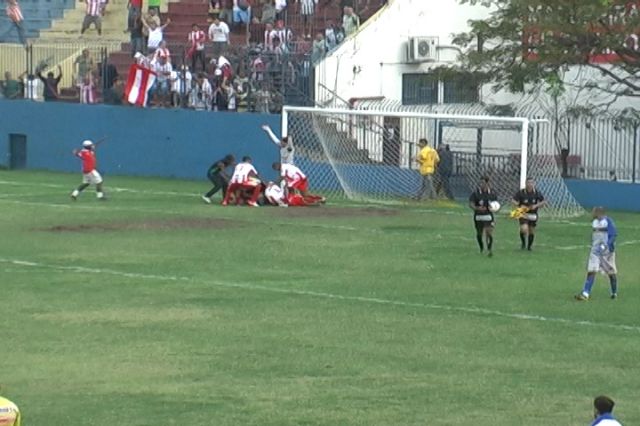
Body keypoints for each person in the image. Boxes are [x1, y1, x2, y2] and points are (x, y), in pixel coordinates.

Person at [575, 207, 618, 301]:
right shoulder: (594, 222)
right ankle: (585, 293)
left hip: (607, 252)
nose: (592, 214)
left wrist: (606, 245)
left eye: (594, 212)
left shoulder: (608, 221)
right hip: (595, 251)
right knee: (591, 270)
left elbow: (613, 235)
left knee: (611, 273)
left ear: (599, 213)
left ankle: (614, 292)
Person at [511, 177, 546, 251]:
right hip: (523, 213)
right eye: (528, 183)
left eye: (531, 183)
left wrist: (536, 206)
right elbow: (513, 200)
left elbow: (543, 202)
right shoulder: (521, 192)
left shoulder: (537, 193)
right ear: (525, 183)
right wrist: (519, 206)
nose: (529, 184)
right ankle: (523, 243)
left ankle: (529, 247)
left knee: (531, 230)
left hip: (533, 214)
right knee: (524, 229)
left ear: (533, 184)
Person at [469, 176, 498, 257]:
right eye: (480, 183)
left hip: (488, 216)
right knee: (479, 234)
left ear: (487, 183)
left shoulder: (492, 193)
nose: (481, 184)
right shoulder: (476, 193)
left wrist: (493, 208)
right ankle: (481, 247)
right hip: (478, 217)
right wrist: (477, 208)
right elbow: (471, 203)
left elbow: (496, 205)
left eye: (483, 183)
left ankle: (489, 249)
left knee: (489, 233)